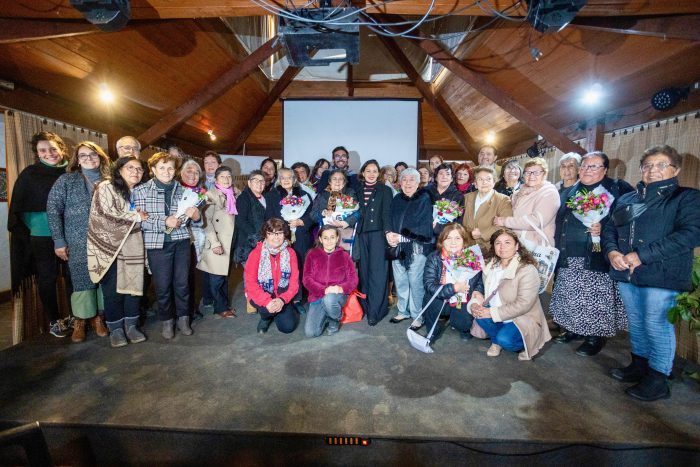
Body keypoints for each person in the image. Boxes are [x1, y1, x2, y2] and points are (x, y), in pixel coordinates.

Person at [603, 145, 700, 401]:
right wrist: (613, 253)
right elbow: (609, 230)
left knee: (656, 325)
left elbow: (690, 234)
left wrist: (640, 256)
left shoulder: (687, 197)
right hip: (627, 273)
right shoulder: (627, 199)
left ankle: (658, 378)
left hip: (663, 274)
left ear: (675, 169)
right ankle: (639, 365)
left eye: (661, 165)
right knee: (636, 322)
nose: (652, 170)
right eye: (647, 166)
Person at [549, 151, 634, 356]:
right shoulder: (572, 190)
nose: (587, 170)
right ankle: (572, 329)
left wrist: (603, 227)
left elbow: (627, 219)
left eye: (594, 166)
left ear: (605, 170)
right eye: (585, 166)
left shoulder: (616, 188)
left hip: (596, 253)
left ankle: (594, 336)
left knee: (594, 297)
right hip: (568, 252)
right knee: (570, 294)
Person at [132, 152, 202, 340]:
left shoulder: (185, 191)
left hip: (181, 242)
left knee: (182, 284)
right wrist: (165, 222)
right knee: (163, 286)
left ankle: (183, 319)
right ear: (153, 170)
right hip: (157, 245)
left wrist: (197, 217)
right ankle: (167, 321)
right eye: (161, 167)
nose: (166, 171)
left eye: (170, 167)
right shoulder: (140, 191)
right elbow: (140, 221)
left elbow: (194, 222)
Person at [8, 131, 71, 338]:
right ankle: (54, 320)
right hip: (42, 235)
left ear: (61, 149)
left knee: (73, 275)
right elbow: (20, 206)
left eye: (53, 149)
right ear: (37, 153)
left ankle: (75, 316)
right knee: (47, 277)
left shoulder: (69, 174)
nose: (49, 153)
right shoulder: (30, 173)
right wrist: (41, 227)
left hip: (69, 233)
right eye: (43, 150)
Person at [47, 141, 111, 342]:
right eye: (83, 155)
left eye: (93, 154)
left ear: (100, 157)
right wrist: (59, 240)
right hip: (77, 240)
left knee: (104, 279)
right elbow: (53, 209)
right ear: (77, 160)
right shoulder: (66, 180)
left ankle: (99, 318)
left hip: (107, 240)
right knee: (82, 279)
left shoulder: (109, 181)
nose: (89, 158)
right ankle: (81, 320)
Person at [87, 157, 149, 347]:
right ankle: (116, 329)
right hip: (109, 247)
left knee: (133, 289)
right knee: (112, 291)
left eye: (139, 169)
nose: (135, 172)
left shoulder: (140, 191)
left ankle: (131, 326)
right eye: (130, 168)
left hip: (134, 246)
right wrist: (136, 216)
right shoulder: (106, 187)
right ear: (119, 170)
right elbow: (105, 213)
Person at [468, 229, 551, 360]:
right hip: (498, 312)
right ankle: (496, 341)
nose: (502, 247)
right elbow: (482, 287)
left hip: (521, 317)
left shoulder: (527, 270)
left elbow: (523, 304)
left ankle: (526, 344)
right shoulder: (491, 265)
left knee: (506, 340)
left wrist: (490, 313)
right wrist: (476, 301)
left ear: (516, 246)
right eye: (498, 243)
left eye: (507, 242)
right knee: (479, 314)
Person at [386, 168, 433, 328]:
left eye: (412, 179)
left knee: (415, 282)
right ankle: (402, 311)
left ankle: (417, 315)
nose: (407, 183)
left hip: (416, 249)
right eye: (404, 179)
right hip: (397, 248)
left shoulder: (425, 198)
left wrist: (401, 237)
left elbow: (425, 227)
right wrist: (389, 235)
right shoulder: (397, 198)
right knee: (400, 281)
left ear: (418, 182)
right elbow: (390, 220)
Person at [422, 224, 484, 344]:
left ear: (464, 241)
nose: (453, 242)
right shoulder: (434, 258)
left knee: (463, 324)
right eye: (448, 238)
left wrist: (478, 291)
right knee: (431, 299)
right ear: (442, 241)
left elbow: (479, 280)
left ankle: (463, 328)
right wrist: (454, 288)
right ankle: (433, 329)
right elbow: (429, 285)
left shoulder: (471, 257)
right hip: (441, 298)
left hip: (462, 300)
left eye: (457, 238)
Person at [265, 167, 314, 308]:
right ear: (279, 180)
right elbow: (269, 217)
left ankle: (299, 299)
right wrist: (283, 228)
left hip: (301, 237)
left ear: (294, 179)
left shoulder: (304, 194)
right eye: (283, 178)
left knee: (300, 265)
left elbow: (312, 215)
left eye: (289, 177)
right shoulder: (272, 195)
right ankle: (283, 297)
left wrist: (301, 222)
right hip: (280, 238)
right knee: (283, 268)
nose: (286, 180)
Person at [244, 218, 300, 334]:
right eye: (271, 233)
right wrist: (267, 301)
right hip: (262, 293)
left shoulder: (290, 253)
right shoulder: (256, 254)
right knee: (267, 309)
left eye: (279, 233)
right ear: (265, 235)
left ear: (284, 234)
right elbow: (251, 284)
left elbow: (294, 283)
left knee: (288, 327)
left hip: (282, 293)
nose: (276, 237)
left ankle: (281, 310)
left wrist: (282, 300)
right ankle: (265, 318)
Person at [303, 226, 359, 337]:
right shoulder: (312, 255)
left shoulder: (344, 256)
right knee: (311, 333)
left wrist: (340, 288)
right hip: (318, 295)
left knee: (329, 300)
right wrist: (323, 290)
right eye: (325, 238)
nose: (329, 241)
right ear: (320, 239)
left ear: (337, 238)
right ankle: (328, 315)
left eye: (332, 237)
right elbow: (306, 278)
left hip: (336, 295)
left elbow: (353, 279)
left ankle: (335, 319)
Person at [355, 160, 393, 325]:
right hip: (361, 235)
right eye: (368, 171)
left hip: (378, 235)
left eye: (374, 171)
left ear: (379, 174)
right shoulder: (356, 190)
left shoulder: (385, 190)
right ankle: (364, 307)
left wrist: (388, 233)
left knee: (378, 273)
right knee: (363, 272)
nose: (371, 174)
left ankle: (376, 311)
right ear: (363, 173)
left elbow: (386, 214)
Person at [198, 166, 237, 319]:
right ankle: (220, 307)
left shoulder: (233, 194)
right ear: (216, 179)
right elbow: (205, 221)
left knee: (222, 276)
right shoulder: (210, 195)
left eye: (229, 176)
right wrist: (215, 243)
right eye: (223, 177)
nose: (227, 179)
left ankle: (217, 302)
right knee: (217, 278)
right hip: (217, 241)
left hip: (229, 241)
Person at [493, 157, 559, 247]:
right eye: (528, 172)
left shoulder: (549, 193)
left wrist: (504, 221)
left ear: (544, 174)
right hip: (519, 244)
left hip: (537, 247)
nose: (531, 176)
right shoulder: (521, 192)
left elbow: (535, 222)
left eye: (536, 173)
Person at [178, 159, 210, 317]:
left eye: (196, 172)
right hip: (175, 237)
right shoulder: (175, 189)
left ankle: (191, 307)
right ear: (181, 173)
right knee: (179, 275)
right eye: (189, 171)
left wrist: (197, 217)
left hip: (195, 237)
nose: (193, 175)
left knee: (193, 273)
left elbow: (202, 218)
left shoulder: (201, 194)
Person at [461, 166, 513, 253]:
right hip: (465, 246)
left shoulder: (504, 200)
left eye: (488, 179)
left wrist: (482, 233)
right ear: (475, 183)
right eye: (480, 179)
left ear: (494, 182)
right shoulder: (466, 197)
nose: (484, 182)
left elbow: (505, 225)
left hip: (489, 248)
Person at [311, 169, 359, 254]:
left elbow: (357, 213)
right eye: (334, 179)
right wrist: (323, 213)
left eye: (340, 179)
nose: (337, 181)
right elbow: (313, 215)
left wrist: (344, 222)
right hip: (326, 235)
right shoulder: (322, 194)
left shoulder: (351, 193)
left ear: (344, 182)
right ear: (329, 181)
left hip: (345, 232)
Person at [233, 171, 267, 266]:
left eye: (262, 181)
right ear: (249, 183)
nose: (259, 183)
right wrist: (257, 237)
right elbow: (240, 221)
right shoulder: (244, 198)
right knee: (251, 276)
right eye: (256, 180)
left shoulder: (265, 198)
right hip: (248, 245)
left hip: (263, 243)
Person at [428, 163, 465, 237]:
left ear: (451, 179)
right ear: (436, 177)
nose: (444, 177)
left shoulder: (458, 196)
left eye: (448, 174)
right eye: (441, 174)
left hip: (447, 236)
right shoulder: (426, 192)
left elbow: (459, 221)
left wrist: (438, 227)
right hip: (426, 234)